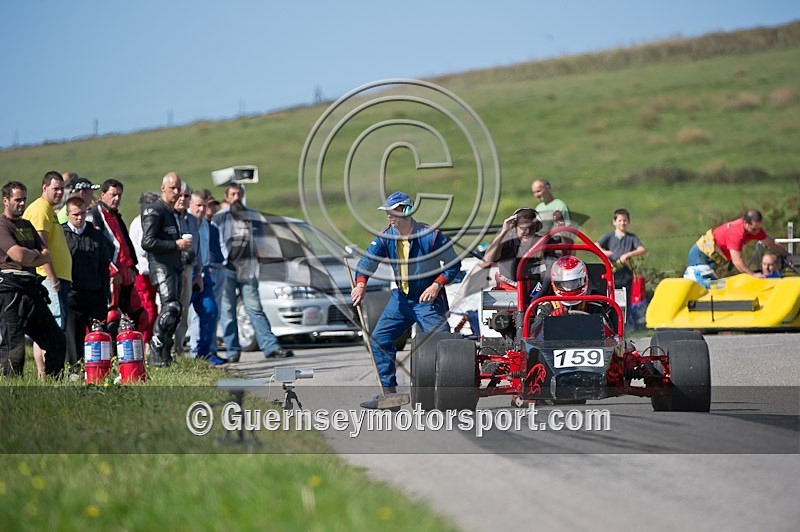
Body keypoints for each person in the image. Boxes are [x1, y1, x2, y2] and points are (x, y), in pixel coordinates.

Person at [350, 192, 461, 409]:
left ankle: (449, 392)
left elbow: (453, 264)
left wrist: (437, 284)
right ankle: (389, 395)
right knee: (379, 340)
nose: (390, 216)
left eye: (394, 211)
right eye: (388, 212)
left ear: (407, 210)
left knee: (445, 344)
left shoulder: (432, 236)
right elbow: (367, 262)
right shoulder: (385, 236)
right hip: (401, 299)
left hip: (427, 300)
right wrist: (361, 284)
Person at [213, 182, 294, 362]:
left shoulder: (252, 216)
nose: (236, 198)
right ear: (226, 197)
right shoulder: (219, 219)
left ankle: (270, 347)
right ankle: (233, 351)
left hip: (248, 269)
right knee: (228, 311)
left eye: (239, 194)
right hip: (227, 270)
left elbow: (262, 242)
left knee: (255, 308)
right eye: (232, 194)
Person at [0, 181, 66, 378]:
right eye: (17, 199)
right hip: (10, 290)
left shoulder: (27, 225)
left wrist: (32, 255)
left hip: (32, 288)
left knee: (56, 339)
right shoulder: (2, 225)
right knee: (15, 347)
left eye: (24, 199)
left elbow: (47, 254)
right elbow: (18, 255)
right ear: (5, 200)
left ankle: (55, 382)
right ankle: (13, 391)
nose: (21, 204)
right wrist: (35, 254)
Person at [22, 171, 72, 376]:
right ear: (44, 188)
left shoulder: (50, 210)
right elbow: (40, 247)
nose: (59, 192)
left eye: (61, 188)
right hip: (48, 278)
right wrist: (52, 278)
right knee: (52, 328)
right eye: (55, 188)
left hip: (57, 278)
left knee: (50, 328)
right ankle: (50, 373)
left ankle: (49, 372)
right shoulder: (41, 210)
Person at [141, 172, 193, 367]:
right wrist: (176, 245)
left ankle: (165, 353)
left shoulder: (172, 212)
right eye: (173, 188)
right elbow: (147, 242)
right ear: (163, 188)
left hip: (175, 265)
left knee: (176, 310)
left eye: (179, 188)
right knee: (170, 307)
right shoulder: (154, 210)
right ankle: (155, 352)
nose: (177, 192)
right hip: (161, 265)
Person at [86, 179, 148, 338]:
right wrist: (112, 271)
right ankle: (110, 355)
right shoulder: (94, 215)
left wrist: (132, 268)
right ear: (103, 194)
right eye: (113, 194)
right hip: (112, 275)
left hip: (126, 273)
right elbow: (97, 247)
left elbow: (124, 243)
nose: (117, 199)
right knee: (110, 318)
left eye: (119, 195)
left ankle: (131, 354)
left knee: (140, 316)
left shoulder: (116, 216)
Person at [62, 197, 113, 368]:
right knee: (74, 337)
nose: (79, 218)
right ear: (68, 214)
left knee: (100, 335)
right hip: (72, 295)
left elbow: (103, 266)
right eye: (75, 214)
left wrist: (106, 293)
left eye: (83, 213)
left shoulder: (96, 235)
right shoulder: (62, 236)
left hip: (95, 293)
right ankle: (75, 369)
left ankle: (102, 368)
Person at [688, 209, 791, 277]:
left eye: (759, 228)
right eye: (754, 229)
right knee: (706, 288)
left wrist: (787, 255)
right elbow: (737, 261)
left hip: (715, 259)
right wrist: (753, 275)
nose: (757, 232)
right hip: (701, 255)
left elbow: (771, 243)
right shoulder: (736, 233)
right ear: (745, 223)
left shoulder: (755, 229)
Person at [530, 255, 615, 337]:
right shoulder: (547, 306)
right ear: (555, 283)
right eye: (565, 284)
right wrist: (550, 320)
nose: (570, 288)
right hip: (553, 348)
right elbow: (534, 334)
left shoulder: (594, 306)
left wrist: (592, 322)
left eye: (574, 283)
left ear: (585, 280)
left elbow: (610, 335)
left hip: (588, 346)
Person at [187, 189, 225, 365]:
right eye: (198, 206)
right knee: (178, 316)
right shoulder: (185, 221)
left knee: (210, 311)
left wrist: (204, 270)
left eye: (204, 206)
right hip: (186, 272)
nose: (201, 209)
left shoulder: (206, 225)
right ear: (190, 205)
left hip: (203, 272)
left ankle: (203, 354)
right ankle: (173, 353)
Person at [594, 208, 647, 327]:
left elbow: (641, 249)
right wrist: (604, 252)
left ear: (628, 222)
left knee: (626, 296)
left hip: (625, 273)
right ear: (614, 222)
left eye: (625, 220)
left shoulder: (631, 237)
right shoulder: (609, 236)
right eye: (620, 220)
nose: (622, 223)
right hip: (611, 272)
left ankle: (625, 322)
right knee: (610, 295)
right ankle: (609, 321)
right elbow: (596, 245)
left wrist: (628, 254)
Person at [482, 207, 548, 290]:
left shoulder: (543, 242)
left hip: (537, 290)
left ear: (537, 227)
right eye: (523, 228)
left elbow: (565, 255)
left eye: (531, 228)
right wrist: (504, 231)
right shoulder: (507, 243)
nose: (527, 231)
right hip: (510, 290)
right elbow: (488, 259)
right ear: (514, 227)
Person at [172, 182, 202, 358]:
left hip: (189, 267)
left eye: (186, 196)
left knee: (184, 312)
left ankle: (178, 349)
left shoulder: (191, 220)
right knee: (169, 309)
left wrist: (198, 272)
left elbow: (196, 247)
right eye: (180, 195)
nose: (182, 199)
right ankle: (165, 349)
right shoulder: (169, 216)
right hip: (172, 267)